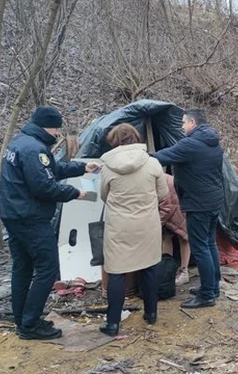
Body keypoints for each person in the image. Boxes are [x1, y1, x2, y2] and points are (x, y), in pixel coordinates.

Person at [0, 106, 99, 340]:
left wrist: (82, 167)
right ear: (49, 127)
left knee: (23, 267)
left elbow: (50, 170)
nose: (57, 134)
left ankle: (22, 318)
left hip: (14, 215)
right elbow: (44, 187)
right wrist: (75, 193)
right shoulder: (35, 149)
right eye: (56, 129)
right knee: (48, 268)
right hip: (31, 218)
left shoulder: (20, 143)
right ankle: (31, 324)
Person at [98, 123, 168, 336]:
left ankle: (112, 323)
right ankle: (151, 313)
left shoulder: (107, 166)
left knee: (116, 272)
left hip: (119, 227)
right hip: (147, 225)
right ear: (136, 138)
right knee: (149, 268)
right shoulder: (152, 163)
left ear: (114, 141)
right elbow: (163, 193)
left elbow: (104, 195)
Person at [154, 109, 224, 308]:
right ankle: (212, 286)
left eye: (184, 122)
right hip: (214, 200)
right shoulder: (213, 141)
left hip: (198, 203)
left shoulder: (190, 144)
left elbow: (161, 157)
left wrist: (138, 156)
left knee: (200, 247)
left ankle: (207, 295)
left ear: (192, 122)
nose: (182, 126)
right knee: (209, 243)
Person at [158, 174, 191, 285]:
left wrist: (158, 223)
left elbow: (166, 207)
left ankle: (184, 271)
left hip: (178, 207)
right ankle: (168, 271)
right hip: (173, 205)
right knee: (166, 237)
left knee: (183, 237)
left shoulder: (159, 180)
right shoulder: (160, 176)